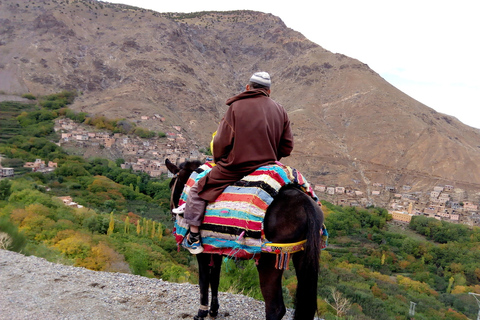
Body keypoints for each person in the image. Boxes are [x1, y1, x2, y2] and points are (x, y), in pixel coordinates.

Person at [173, 71, 294, 254]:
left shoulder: (236, 107)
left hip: (237, 167)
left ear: (248, 88)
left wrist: (220, 160)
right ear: (268, 91)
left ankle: (194, 238)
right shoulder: (280, 110)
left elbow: (221, 142)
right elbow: (287, 148)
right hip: (268, 165)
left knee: (198, 189)